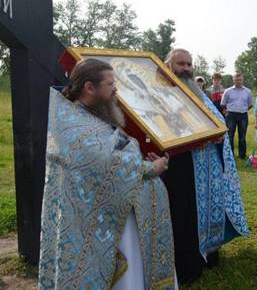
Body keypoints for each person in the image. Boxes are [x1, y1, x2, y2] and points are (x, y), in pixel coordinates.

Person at [38, 59, 176, 289]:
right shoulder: (72, 124)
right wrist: (153, 168)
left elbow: (113, 151)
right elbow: (104, 162)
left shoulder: (91, 112)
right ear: (89, 87)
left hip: (115, 209)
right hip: (97, 221)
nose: (116, 89)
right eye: (110, 84)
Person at [162, 49, 249, 285]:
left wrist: (218, 134)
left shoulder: (197, 92)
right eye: (181, 63)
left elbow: (216, 121)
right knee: (183, 215)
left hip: (207, 164)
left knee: (207, 207)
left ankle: (208, 253)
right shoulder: (160, 94)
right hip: (179, 166)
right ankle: (186, 264)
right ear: (167, 65)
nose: (187, 68)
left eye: (190, 64)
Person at [220, 73, 253, 159]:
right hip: (231, 115)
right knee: (230, 135)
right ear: (233, 80)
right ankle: (230, 156)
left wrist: (242, 110)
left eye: (240, 79)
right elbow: (223, 104)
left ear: (243, 80)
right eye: (236, 79)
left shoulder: (248, 91)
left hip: (243, 115)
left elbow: (250, 105)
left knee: (242, 136)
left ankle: (242, 156)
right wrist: (226, 112)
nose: (238, 81)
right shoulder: (227, 91)